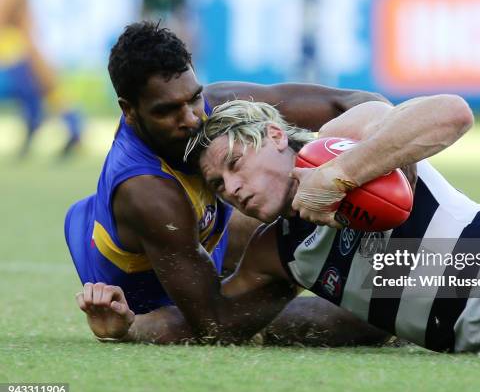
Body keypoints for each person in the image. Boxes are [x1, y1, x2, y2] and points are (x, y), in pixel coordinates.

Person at [80, 96, 480, 357]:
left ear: (271, 135)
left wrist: (336, 178)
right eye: (218, 185)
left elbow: (452, 114)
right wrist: (127, 329)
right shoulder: (277, 253)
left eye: (235, 165)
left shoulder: (339, 141)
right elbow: (215, 323)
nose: (232, 189)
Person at [66, 21, 390, 344]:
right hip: (153, 296)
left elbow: (358, 101)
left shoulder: (215, 105)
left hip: (201, 237)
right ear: (129, 111)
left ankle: (406, 267)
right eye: (167, 110)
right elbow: (214, 324)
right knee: (373, 316)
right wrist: (295, 265)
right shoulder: (147, 190)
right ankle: (134, 329)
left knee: (283, 188)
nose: (192, 118)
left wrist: (390, 160)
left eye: (193, 98)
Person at [0, 0, 82, 157]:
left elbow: (6, 17)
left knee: (41, 86)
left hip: (20, 53)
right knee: (41, 87)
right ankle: (66, 126)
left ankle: (70, 126)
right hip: (21, 51)